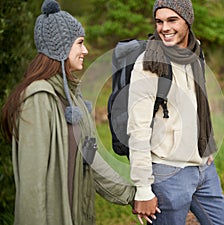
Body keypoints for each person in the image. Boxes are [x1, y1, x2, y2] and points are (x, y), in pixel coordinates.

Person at [0, 0, 135, 224]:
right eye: (79, 43)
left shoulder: (72, 99)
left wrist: (132, 195)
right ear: (60, 47)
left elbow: (90, 159)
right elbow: (33, 187)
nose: (86, 50)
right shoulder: (39, 99)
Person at [128, 0, 224, 224]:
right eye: (159, 21)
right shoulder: (148, 63)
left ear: (187, 20)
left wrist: (206, 145)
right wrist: (143, 188)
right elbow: (137, 130)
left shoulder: (195, 53)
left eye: (172, 20)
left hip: (204, 168)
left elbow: (199, 106)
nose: (164, 28)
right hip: (168, 174)